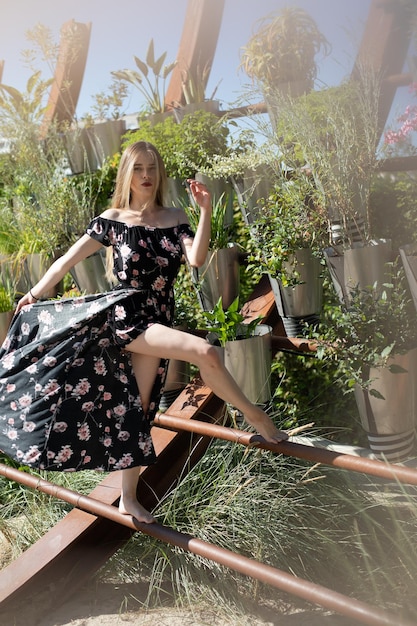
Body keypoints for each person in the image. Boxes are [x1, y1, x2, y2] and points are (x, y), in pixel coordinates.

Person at [0, 141, 288, 524]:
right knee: (206, 352)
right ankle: (257, 417)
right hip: (129, 315)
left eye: (152, 168)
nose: (146, 175)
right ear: (127, 174)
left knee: (137, 407)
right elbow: (66, 261)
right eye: (138, 169)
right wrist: (33, 294)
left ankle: (128, 499)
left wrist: (204, 211)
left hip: (160, 315)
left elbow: (196, 259)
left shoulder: (174, 217)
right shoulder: (113, 219)